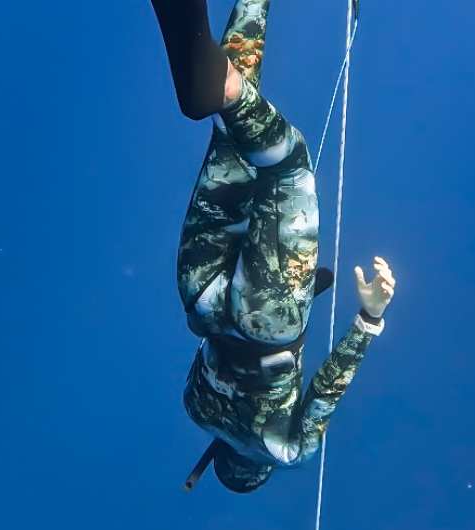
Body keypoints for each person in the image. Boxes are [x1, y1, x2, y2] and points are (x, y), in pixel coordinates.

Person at [150, 0, 397, 493]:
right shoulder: (195, 408)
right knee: (233, 135)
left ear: (254, 471)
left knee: (287, 162)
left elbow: (327, 390)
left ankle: (218, 85)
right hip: (201, 297)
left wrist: (368, 320)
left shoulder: (282, 451)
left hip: (269, 323)